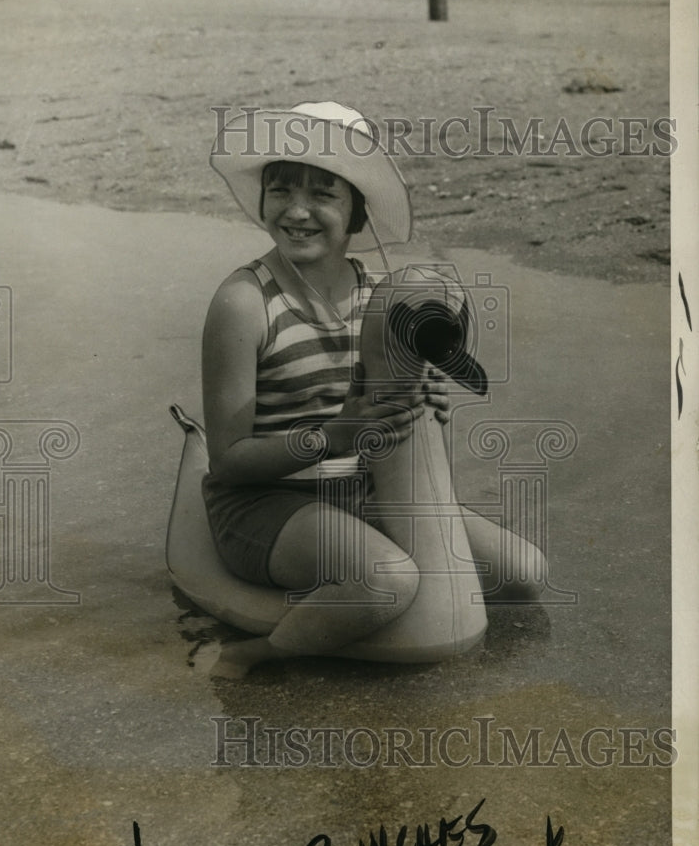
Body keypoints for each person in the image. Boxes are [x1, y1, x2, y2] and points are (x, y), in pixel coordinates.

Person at [201, 101, 546, 678]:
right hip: (264, 502)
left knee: (523, 572)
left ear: (357, 213)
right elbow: (229, 462)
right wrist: (337, 435)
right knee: (385, 579)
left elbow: (394, 433)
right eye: (281, 189)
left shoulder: (379, 298)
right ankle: (258, 654)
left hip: (358, 492)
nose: (298, 211)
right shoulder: (244, 303)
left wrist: (425, 409)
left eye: (324, 195)